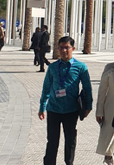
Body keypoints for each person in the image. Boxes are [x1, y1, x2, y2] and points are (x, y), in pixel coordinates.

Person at [39, 36, 93, 165]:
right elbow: (46, 88)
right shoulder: (53, 67)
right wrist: (42, 107)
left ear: (73, 48)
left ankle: (69, 162)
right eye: (61, 47)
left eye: (67, 47)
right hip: (53, 109)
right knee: (52, 141)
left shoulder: (80, 67)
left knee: (70, 140)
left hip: (71, 110)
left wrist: (89, 105)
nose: (64, 50)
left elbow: (87, 87)